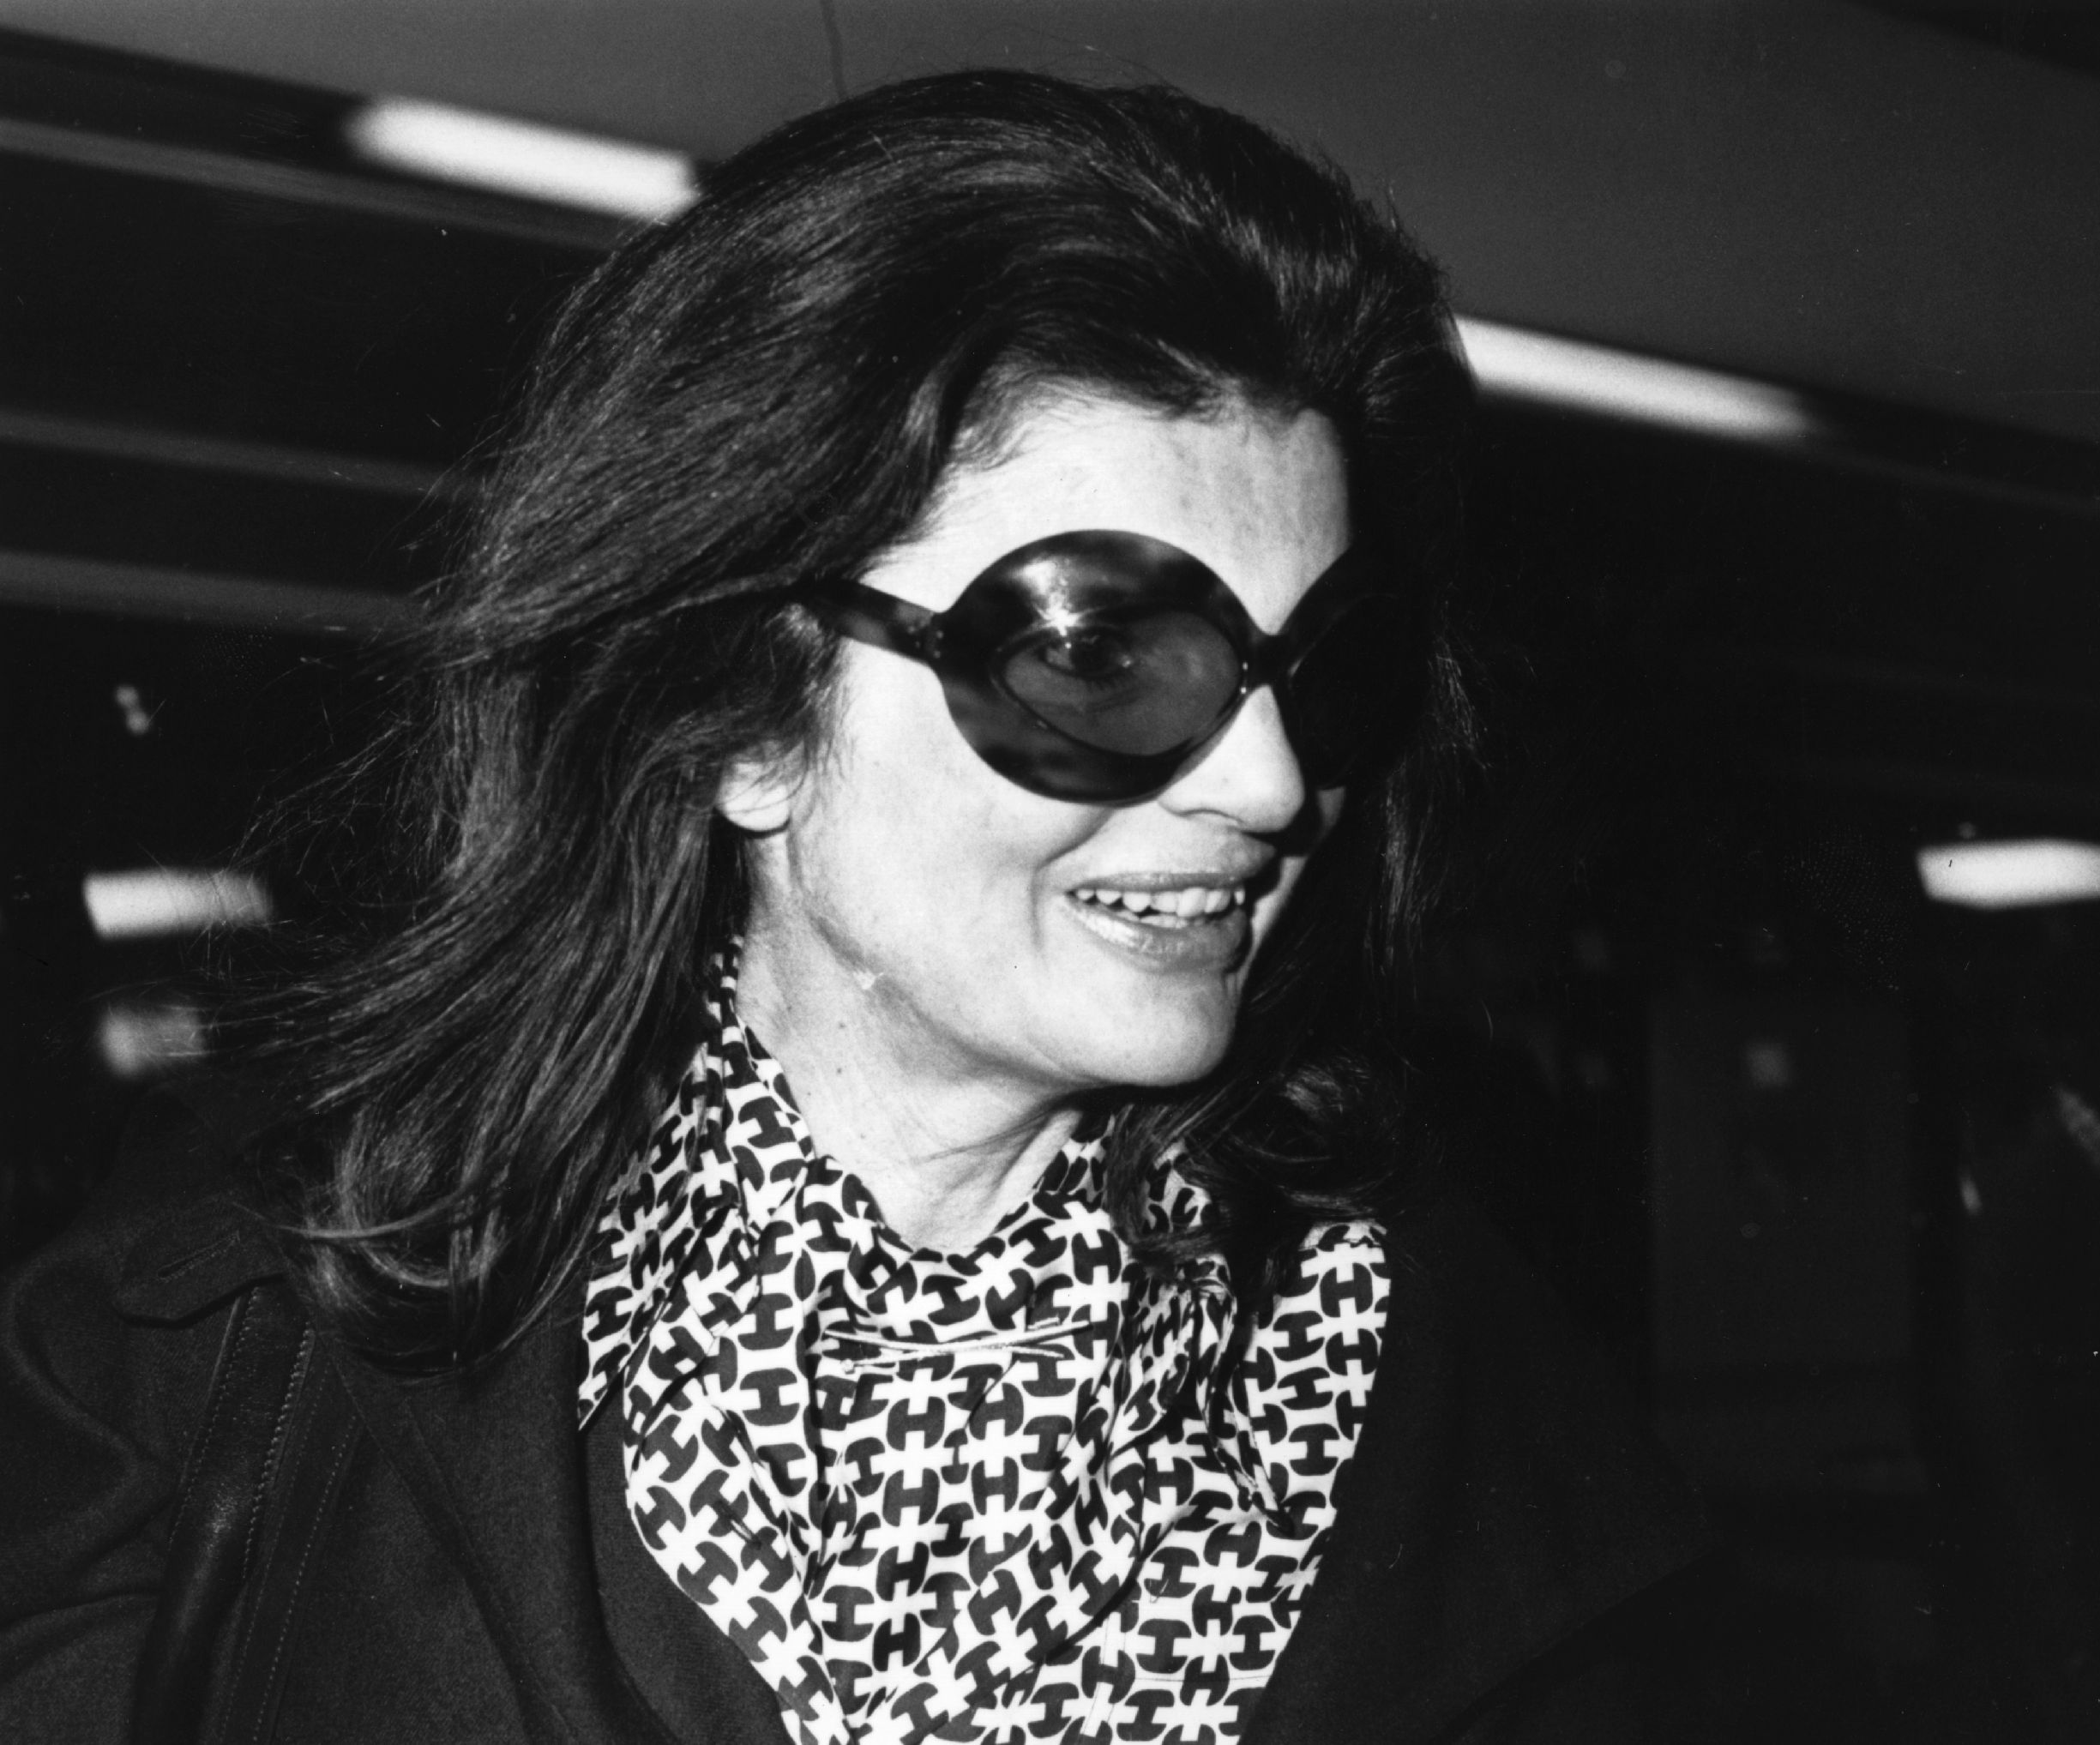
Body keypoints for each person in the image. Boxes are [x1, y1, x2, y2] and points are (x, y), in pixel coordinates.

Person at [0, 71, 1706, 1743]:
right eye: (1099, 657)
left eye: (1323, 672)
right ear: (742, 715)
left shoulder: (1494, 1448)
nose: (1270, 788)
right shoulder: (216, 1346)